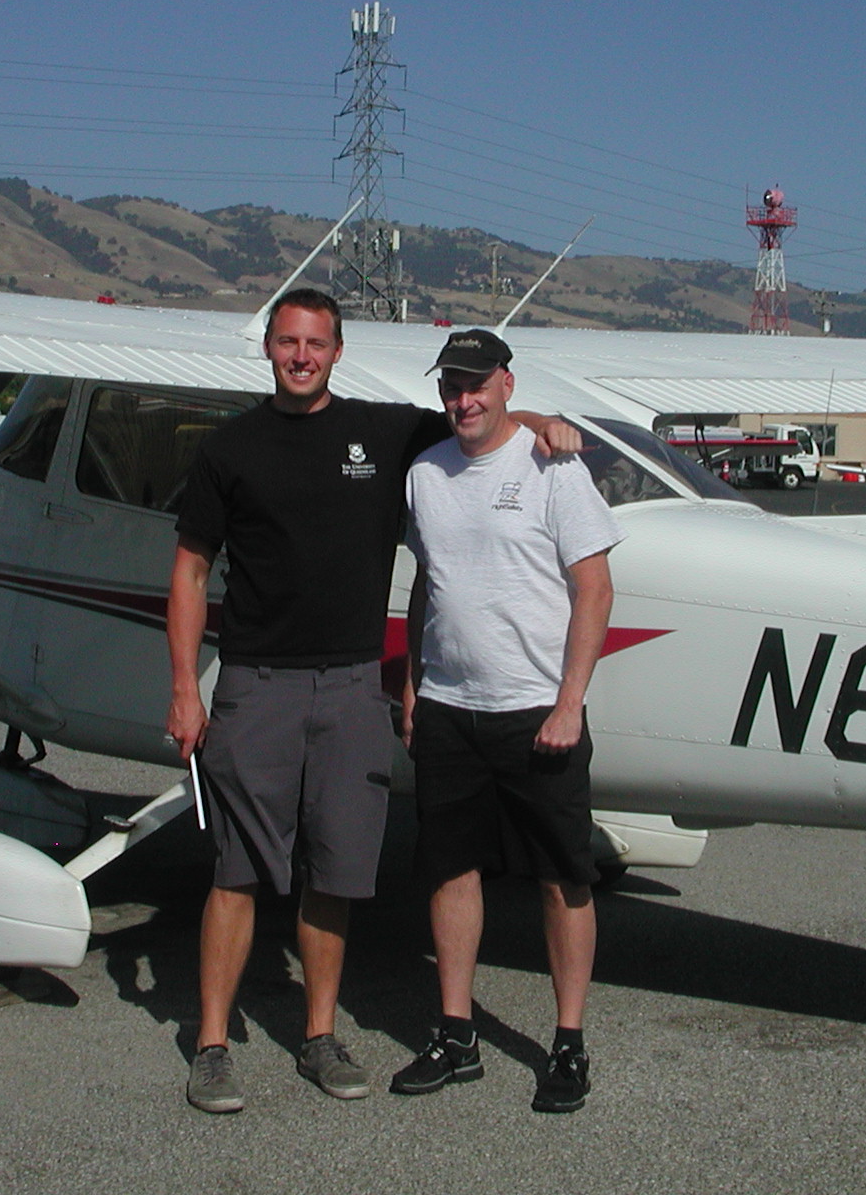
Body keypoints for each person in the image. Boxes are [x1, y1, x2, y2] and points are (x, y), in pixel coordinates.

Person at [165, 292, 578, 1114]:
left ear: (339, 351)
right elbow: (189, 569)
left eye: (316, 342)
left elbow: (479, 418)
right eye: (288, 341)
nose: (301, 355)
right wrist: (185, 687)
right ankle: (212, 1044)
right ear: (270, 350)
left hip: (355, 684)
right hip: (256, 683)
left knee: (337, 872)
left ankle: (319, 1036)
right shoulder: (228, 447)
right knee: (238, 871)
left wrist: (541, 420)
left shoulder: (385, 433)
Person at [392, 329, 622, 1114]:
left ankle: (568, 1043)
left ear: (505, 384)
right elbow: (432, 584)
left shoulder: (554, 466)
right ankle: (456, 1035)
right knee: (450, 870)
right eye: (452, 385)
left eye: (476, 384)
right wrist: (417, 685)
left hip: (536, 711)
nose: (463, 398)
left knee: (566, 876)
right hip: (453, 706)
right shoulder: (426, 473)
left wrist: (569, 702)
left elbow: (595, 589)